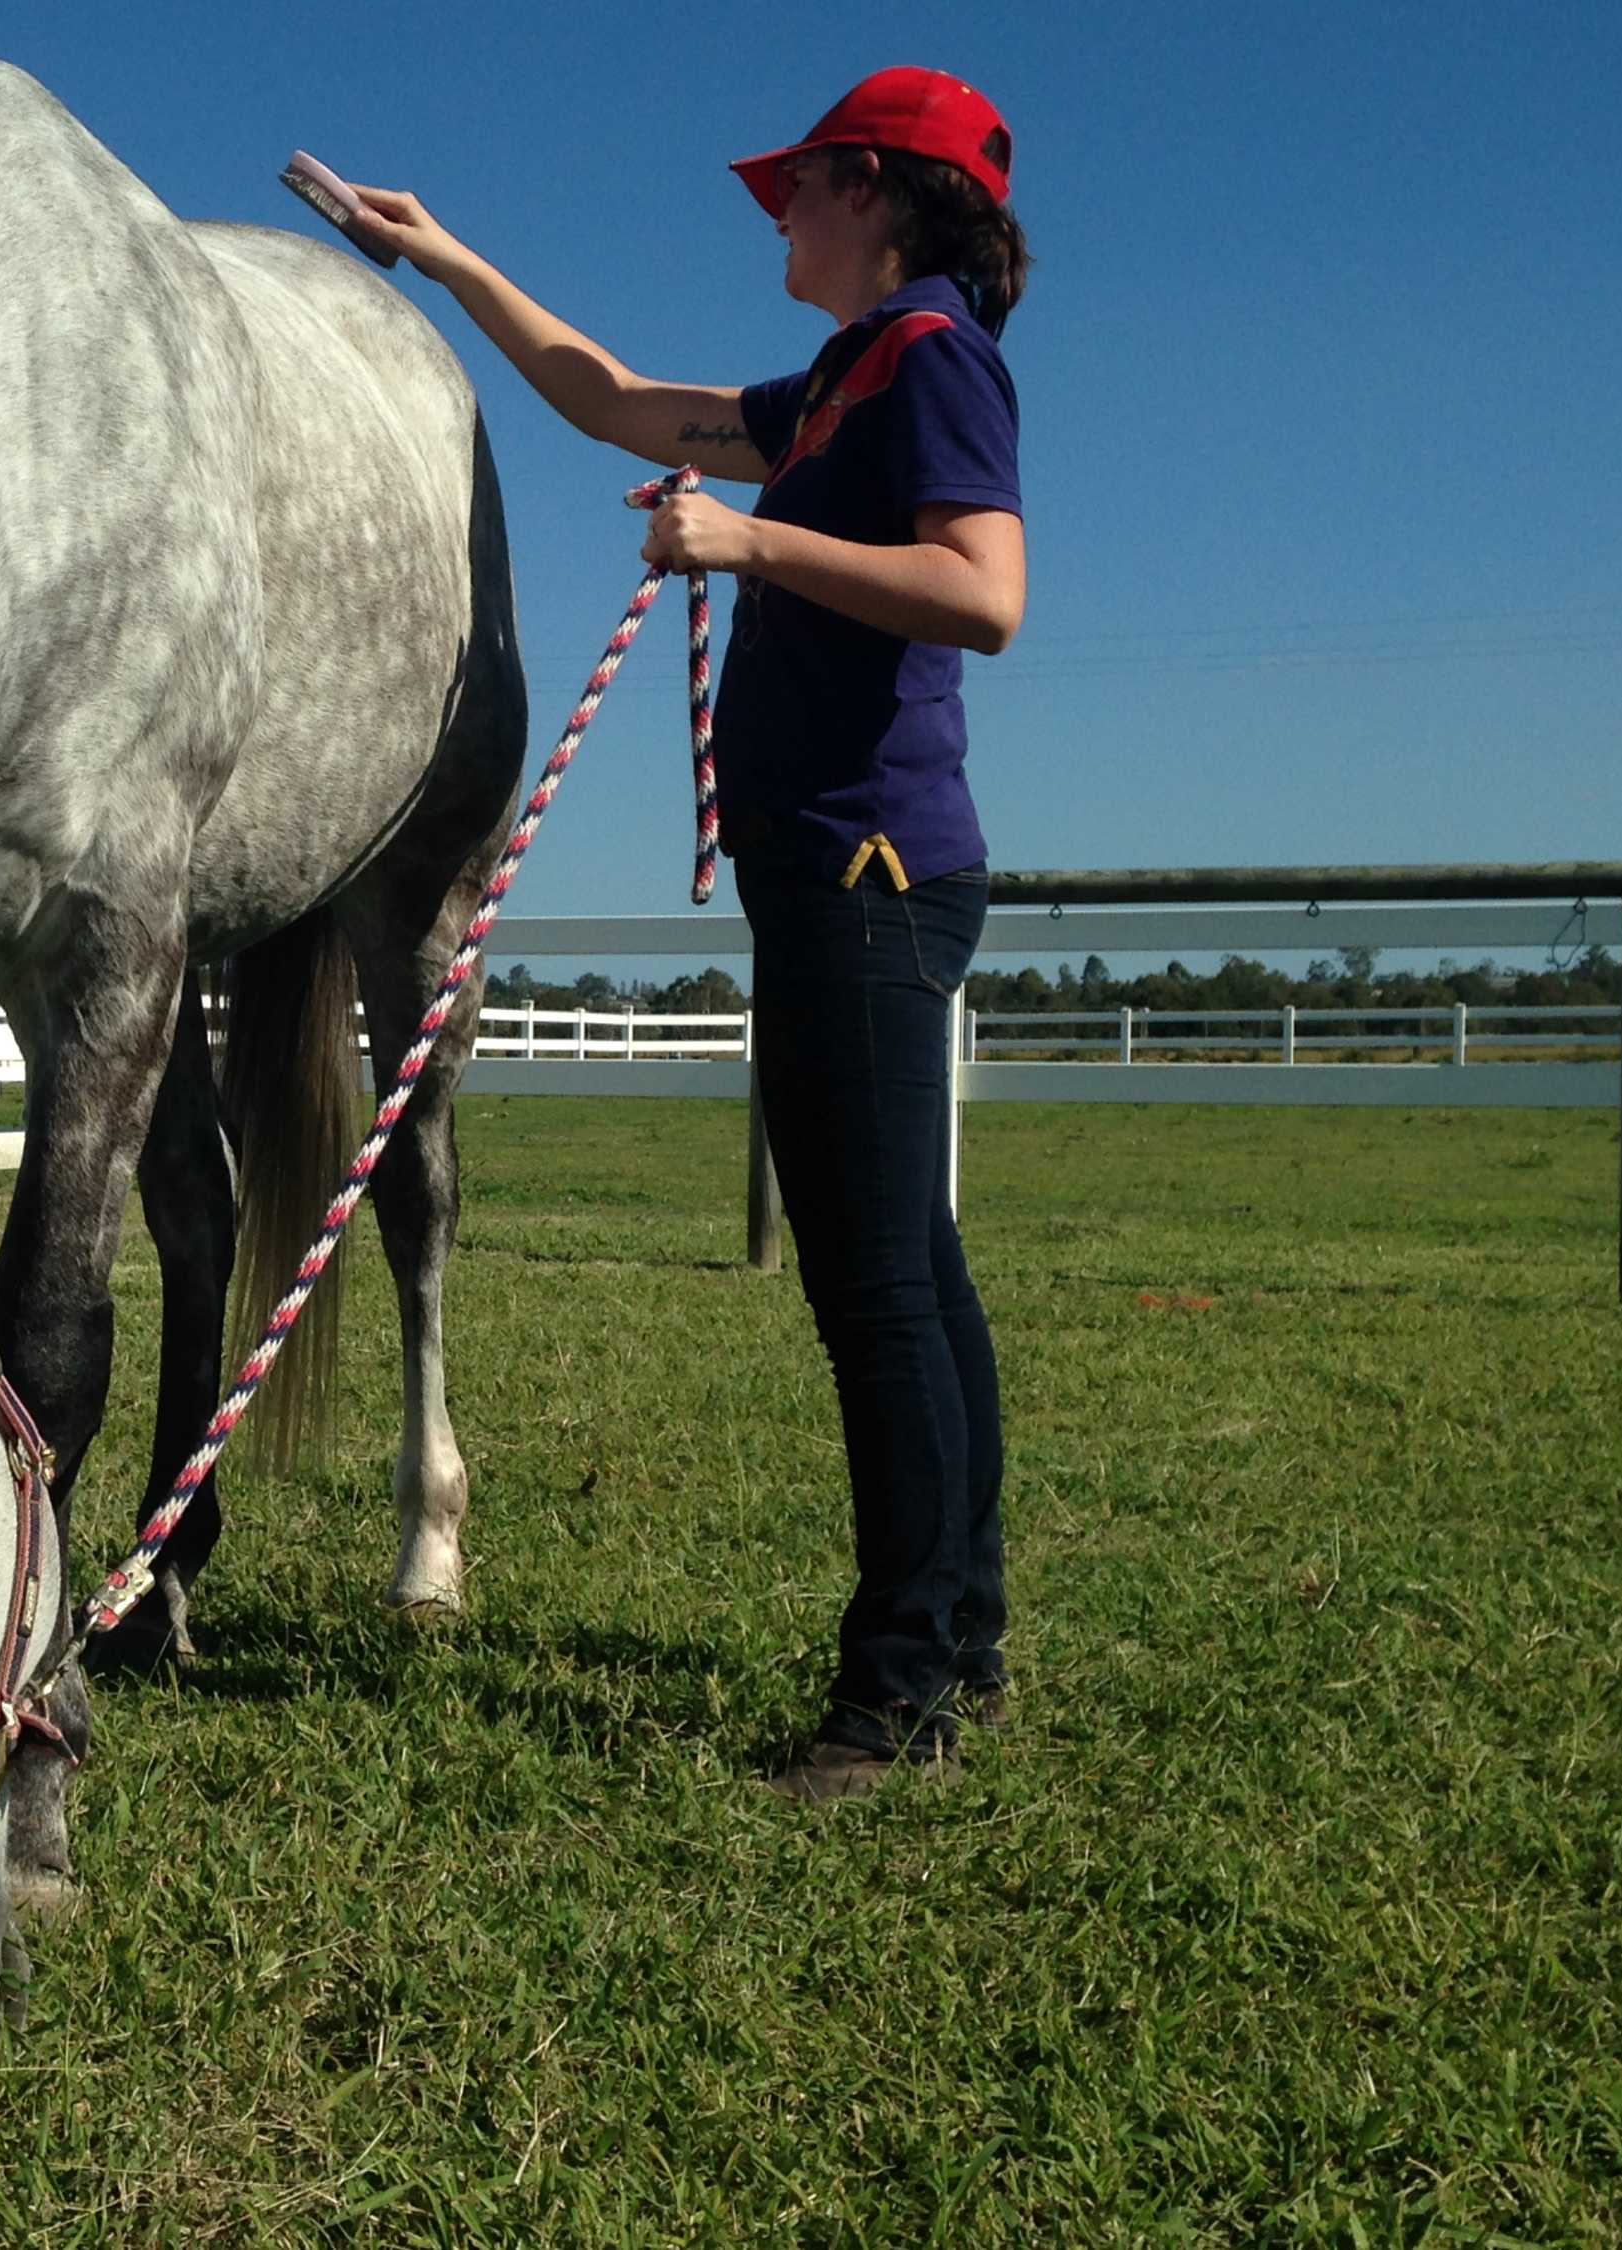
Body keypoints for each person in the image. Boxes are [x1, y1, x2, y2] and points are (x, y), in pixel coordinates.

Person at [345, 69, 1030, 1800]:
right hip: (844, 871)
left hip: (866, 872)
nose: (776, 212)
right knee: (914, 1272)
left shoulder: (932, 360)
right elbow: (614, 399)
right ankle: (958, 1636)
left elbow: (986, 590)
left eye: (799, 185)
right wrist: (449, 259)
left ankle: (896, 1696)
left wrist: (749, 539)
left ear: (875, 195)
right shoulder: (841, 384)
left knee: (876, 1289)